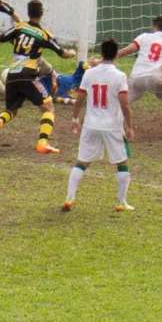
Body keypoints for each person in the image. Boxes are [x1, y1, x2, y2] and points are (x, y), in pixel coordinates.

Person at [0, 0, 76, 154]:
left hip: (12, 75)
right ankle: (43, 143)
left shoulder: (19, 27)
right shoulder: (44, 35)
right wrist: (71, 53)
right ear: (42, 13)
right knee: (48, 108)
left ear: (28, 12)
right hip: (28, 75)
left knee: (12, 109)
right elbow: (62, 53)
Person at [65, 38, 136, 213]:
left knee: (82, 162)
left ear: (102, 53)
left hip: (90, 125)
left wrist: (75, 119)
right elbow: (125, 104)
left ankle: (69, 198)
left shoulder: (89, 73)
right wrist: (129, 126)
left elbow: (80, 98)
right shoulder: (119, 76)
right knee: (122, 163)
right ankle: (121, 202)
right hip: (112, 126)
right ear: (116, 54)